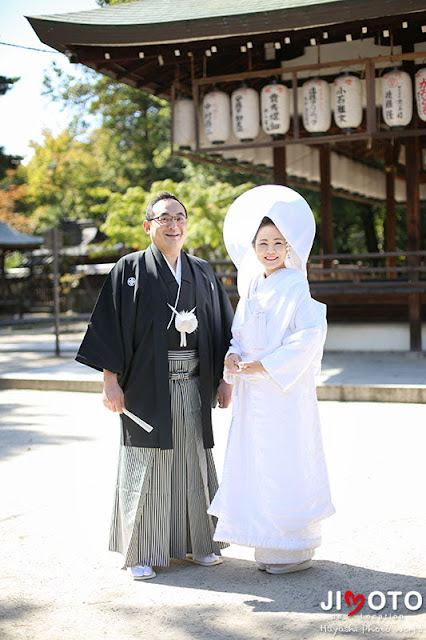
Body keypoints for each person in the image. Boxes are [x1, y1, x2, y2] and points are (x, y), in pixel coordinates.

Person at [76, 191, 233, 580]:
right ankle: (142, 550)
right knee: (147, 464)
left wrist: (224, 379)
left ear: (186, 224)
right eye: (163, 218)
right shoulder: (129, 269)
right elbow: (109, 327)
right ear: (148, 226)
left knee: (193, 461)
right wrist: (109, 381)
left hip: (194, 380)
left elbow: (220, 326)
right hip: (146, 384)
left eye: (179, 217)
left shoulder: (201, 272)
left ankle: (199, 544)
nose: (173, 224)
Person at [208, 185, 335, 575]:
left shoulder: (296, 284)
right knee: (256, 463)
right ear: (252, 247)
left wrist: (267, 365)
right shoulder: (251, 289)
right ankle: (266, 542)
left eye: (278, 242)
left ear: (289, 247)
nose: (270, 250)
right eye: (263, 242)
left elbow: (310, 333)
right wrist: (232, 357)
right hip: (253, 397)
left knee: (285, 461)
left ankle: (292, 547)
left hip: (284, 393)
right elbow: (240, 335)